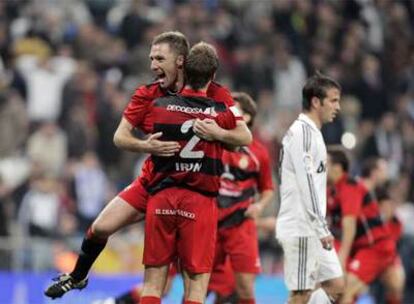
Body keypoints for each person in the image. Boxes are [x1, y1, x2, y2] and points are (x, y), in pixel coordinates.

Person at [44, 31, 252, 299]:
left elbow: (241, 134)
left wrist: (219, 135)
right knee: (99, 228)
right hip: (153, 183)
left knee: (163, 282)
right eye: (151, 58)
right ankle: (77, 276)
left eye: (159, 58)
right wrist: (146, 146)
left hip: (186, 192)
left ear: (180, 61)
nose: (153, 64)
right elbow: (120, 136)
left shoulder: (215, 92)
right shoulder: (149, 94)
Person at [140, 42, 239, 304]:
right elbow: (244, 138)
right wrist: (219, 134)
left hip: (162, 197)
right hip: (198, 200)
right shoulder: (218, 112)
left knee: (152, 282)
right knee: (195, 285)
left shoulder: (160, 105)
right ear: (213, 75)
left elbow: (143, 128)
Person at [276, 72, 344, 304]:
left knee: (336, 286)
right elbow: (306, 182)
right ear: (316, 101)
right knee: (301, 293)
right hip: (302, 224)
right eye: (333, 100)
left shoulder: (313, 134)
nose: (338, 107)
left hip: (310, 225)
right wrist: (320, 225)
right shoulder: (302, 132)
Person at [207, 92, 274, 304]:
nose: (227, 114)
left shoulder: (258, 153)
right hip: (210, 224)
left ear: (246, 117)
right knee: (199, 283)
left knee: (244, 287)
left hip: (241, 225)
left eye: (234, 110)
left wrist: (260, 206)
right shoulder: (211, 143)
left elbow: (267, 188)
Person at [326, 151, 399, 304]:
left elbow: (350, 225)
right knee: (341, 290)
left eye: (325, 163)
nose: (320, 167)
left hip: (375, 247)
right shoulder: (331, 190)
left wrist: (341, 258)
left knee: (346, 289)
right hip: (361, 249)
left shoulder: (350, 188)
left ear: (337, 168)